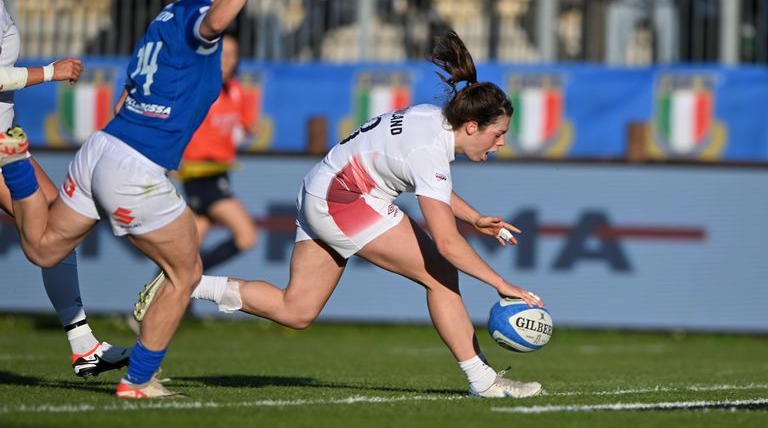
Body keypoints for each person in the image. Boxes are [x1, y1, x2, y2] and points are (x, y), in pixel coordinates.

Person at [137, 29, 545, 399]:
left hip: (320, 190)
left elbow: (430, 187)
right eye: (498, 134)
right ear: (472, 127)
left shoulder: (429, 120)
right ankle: (483, 380)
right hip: (343, 200)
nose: (501, 143)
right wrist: (504, 284)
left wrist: (473, 218)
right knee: (440, 271)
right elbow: (448, 242)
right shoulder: (430, 150)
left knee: (295, 310)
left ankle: (187, 282)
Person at [0, 0, 250, 398]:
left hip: (101, 148)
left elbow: (125, 96)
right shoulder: (194, 17)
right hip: (134, 165)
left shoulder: (163, 19)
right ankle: (138, 380)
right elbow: (214, 21)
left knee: (45, 250)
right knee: (185, 273)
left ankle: (13, 165)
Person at [0, 0, 130, 379]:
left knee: (56, 221)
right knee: (49, 232)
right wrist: (50, 71)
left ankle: (84, 346)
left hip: (5, 137)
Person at [178, 34, 258, 273]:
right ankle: (195, 281)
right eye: (222, 54)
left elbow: (242, 130)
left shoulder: (237, 91)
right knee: (246, 236)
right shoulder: (198, 88)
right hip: (199, 172)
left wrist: (247, 131)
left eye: (232, 55)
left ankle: (165, 297)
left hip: (221, 171)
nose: (226, 60)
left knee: (187, 251)